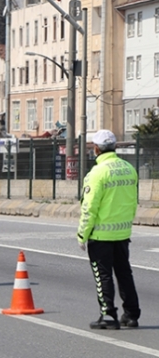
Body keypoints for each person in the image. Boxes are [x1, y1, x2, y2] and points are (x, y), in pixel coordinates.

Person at [77, 129, 140, 330]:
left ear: (96, 149)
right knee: (124, 273)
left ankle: (109, 315)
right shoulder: (129, 169)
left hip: (101, 234)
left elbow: (89, 207)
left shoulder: (97, 173)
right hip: (122, 233)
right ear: (115, 147)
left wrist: (82, 234)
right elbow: (133, 201)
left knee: (102, 275)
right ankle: (131, 314)